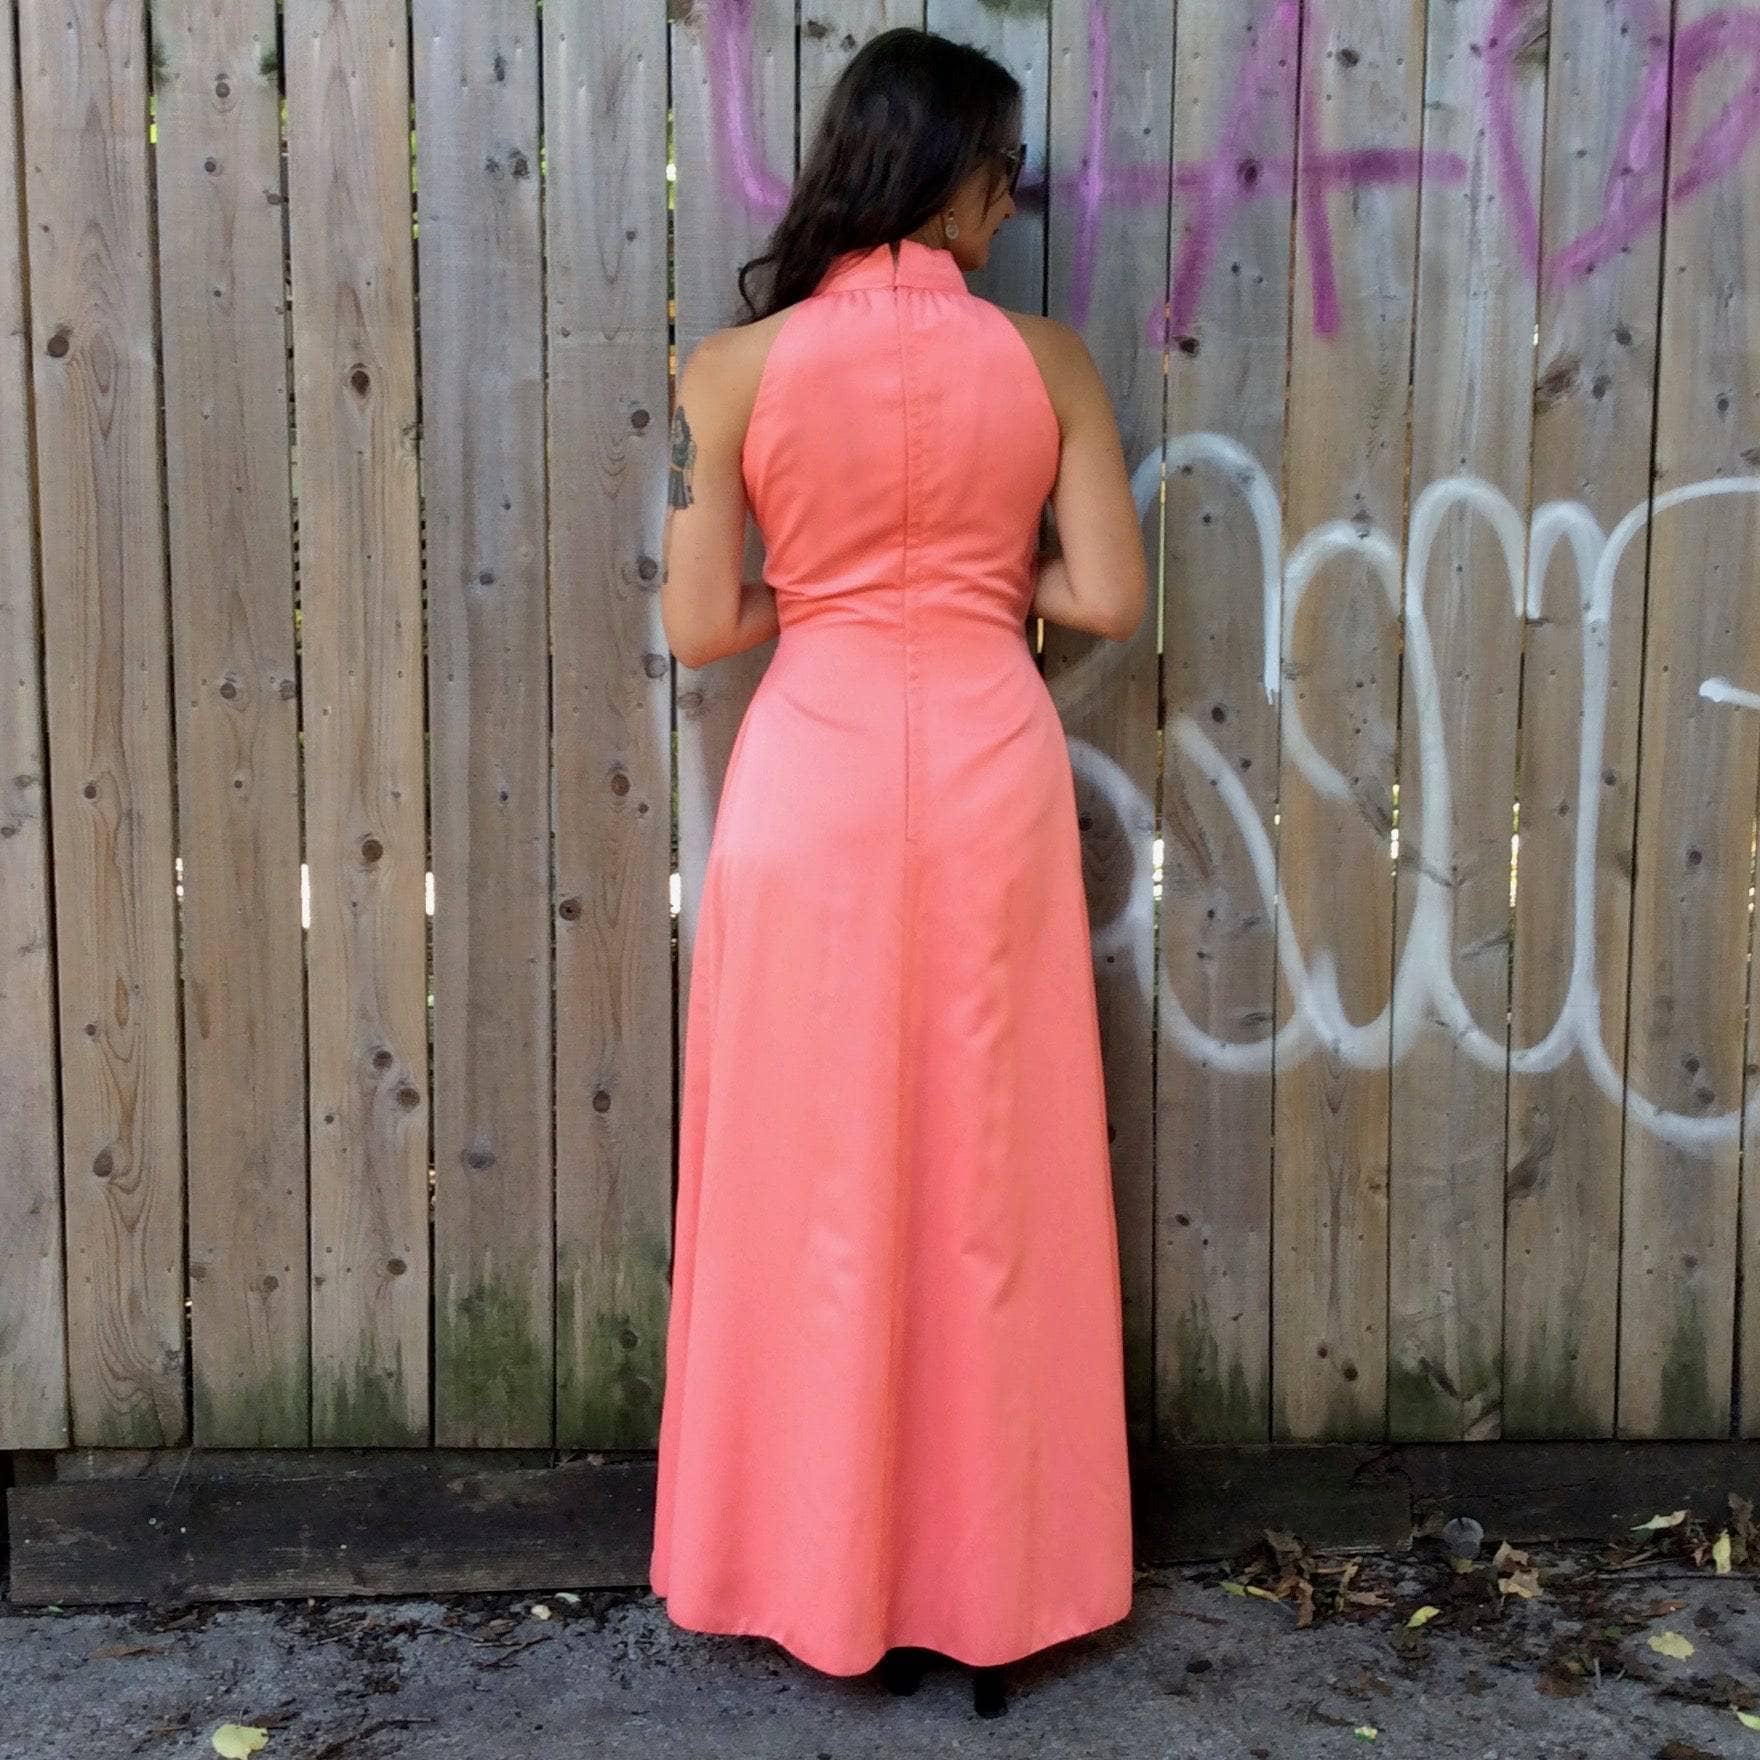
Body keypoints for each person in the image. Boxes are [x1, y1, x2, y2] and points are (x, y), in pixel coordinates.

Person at [651, 24, 1148, 1719]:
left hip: (816, 785)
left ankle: (810, 1568)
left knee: (815, 1173)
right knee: (992, 1181)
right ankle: (998, 1579)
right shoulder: (1052, 362)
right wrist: (971, 588)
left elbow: (702, 624)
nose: (1013, 204)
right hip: (995, 781)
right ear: (950, 171)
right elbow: (1105, 601)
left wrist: (838, 598)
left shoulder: (728, 371)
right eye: (1007, 172)